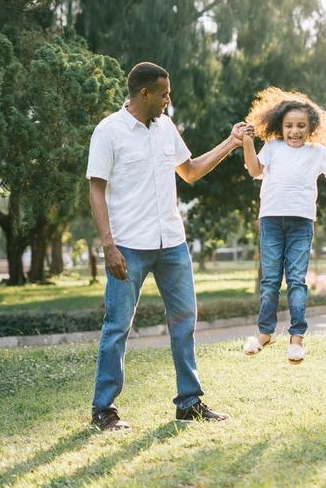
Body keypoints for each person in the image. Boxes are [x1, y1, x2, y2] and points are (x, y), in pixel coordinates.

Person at [86, 62, 246, 430]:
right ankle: (103, 409)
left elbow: (189, 171)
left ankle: (189, 402)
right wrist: (108, 246)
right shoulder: (109, 131)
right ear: (144, 93)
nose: (168, 99)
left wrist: (231, 142)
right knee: (117, 327)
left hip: (172, 243)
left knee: (184, 321)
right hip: (128, 245)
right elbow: (96, 189)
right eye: (164, 93)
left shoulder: (166, 127)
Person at [240, 87, 326, 365]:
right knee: (271, 280)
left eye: (300, 126)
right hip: (271, 221)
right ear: (280, 126)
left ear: (311, 128)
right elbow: (253, 170)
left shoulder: (316, 152)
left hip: (301, 223)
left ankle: (296, 339)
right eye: (289, 126)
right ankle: (264, 333)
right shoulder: (272, 148)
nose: (294, 131)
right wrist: (248, 142)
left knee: (296, 280)